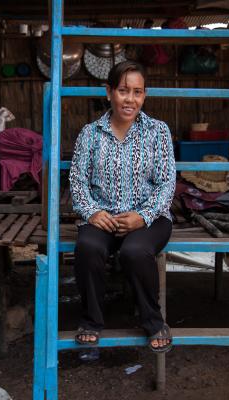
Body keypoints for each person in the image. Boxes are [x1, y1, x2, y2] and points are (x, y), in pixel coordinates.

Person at [69, 60, 176, 353]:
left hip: (150, 218)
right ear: (109, 92)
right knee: (88, 247)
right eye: (123, 90)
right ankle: (91, 320)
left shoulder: (158, 131)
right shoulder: (90, 134)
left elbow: (167, 183)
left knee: (134, 251)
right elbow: (77, 183)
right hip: (103, 217)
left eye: (137, 92)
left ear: (144, 95)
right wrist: (92, 212)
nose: (130, 99)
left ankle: (153, 321)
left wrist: (142, 216)